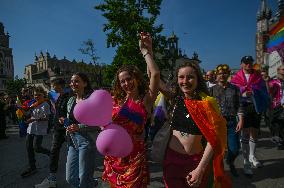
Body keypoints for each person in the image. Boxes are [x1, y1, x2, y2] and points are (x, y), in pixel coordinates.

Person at [159, 61, 231, 187]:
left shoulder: (207, 104)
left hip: (195, 163)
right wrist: (147, 52)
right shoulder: (174, 99)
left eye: (190, 77)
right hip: (171, 161)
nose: (185, 81)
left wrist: (200, 169)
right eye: (181, 77)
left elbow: (213, 139)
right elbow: (154, 76)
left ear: (198, 79)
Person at [102, 32, 160, 187]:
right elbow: (103, 121)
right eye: (122, 81)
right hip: (114, 156)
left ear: (136, 78)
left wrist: (146, 51)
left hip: (134, 156)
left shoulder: (145, 100)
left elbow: (155, 74)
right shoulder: (115, 100)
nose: (126, 83)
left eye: (129, 79)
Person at [231, 56, 270, 176]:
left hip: (255, 106)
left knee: (254, 131)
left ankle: (253, 156)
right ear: (242, 64)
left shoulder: (258, 76)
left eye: (250, 62)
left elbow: (263, 90)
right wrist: (243, 92)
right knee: (245, 133)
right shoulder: (236, 77)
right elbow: (233, 91)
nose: (248, 65)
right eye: (246, 63)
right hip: (243, 107)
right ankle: (246, 161)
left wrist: (254, 91)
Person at [209, 64, 244, 177]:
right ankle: (219, 171)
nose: (222, 75)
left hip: (231, 122)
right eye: (219, 74)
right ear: (216, 76)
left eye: (224, 73)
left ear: (228, 74)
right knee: (217, 150)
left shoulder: (235, 89)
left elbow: (240, 105)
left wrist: (241, 120)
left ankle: (230, 162)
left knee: (234, 149)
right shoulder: (211, 90)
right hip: (216, 124)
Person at [35, 78, 70, 188]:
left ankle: (83, 176)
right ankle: (52, 179)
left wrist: (67, 121)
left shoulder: (70, 96)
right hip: (58, 129)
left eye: (53, 85)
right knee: (54, 151)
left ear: (59, 85)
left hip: (69, 129)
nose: (52, 87)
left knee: (76, 153)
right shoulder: (57, 96)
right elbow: (56, 109)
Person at [65, 72, 99, 188]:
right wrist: (66, 123)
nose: (73, 83)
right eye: (71, 81)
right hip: (72, 141)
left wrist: (79, 127)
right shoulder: (70, 101)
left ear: (85, 83)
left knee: (84, 178)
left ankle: (89, 183)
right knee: (70, 178)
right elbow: (71, 120)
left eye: (76, 81)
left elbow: (99, 123)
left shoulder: (92, 100)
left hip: (87, 141)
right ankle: (92, 183)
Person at [21, 86, 51, 178]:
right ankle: (32, 167)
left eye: (39, 95)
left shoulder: (45, 104)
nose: (37, 96)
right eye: (35, 95)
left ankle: (52, 154)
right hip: (31, 128)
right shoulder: (34, 104)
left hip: (40, 129)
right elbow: (28, 114)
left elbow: (47, 118)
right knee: (28, 147)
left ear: (43, 95)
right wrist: (21, 110)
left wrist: (34, 119)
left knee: (37, 148)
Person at [268, 65, 284, 150]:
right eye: (283, 69)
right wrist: (268, 85)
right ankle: (279, 141)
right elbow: (270, 91)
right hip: (277, 106)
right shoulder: (274, 82)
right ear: (278, 70)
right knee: (277, 124)